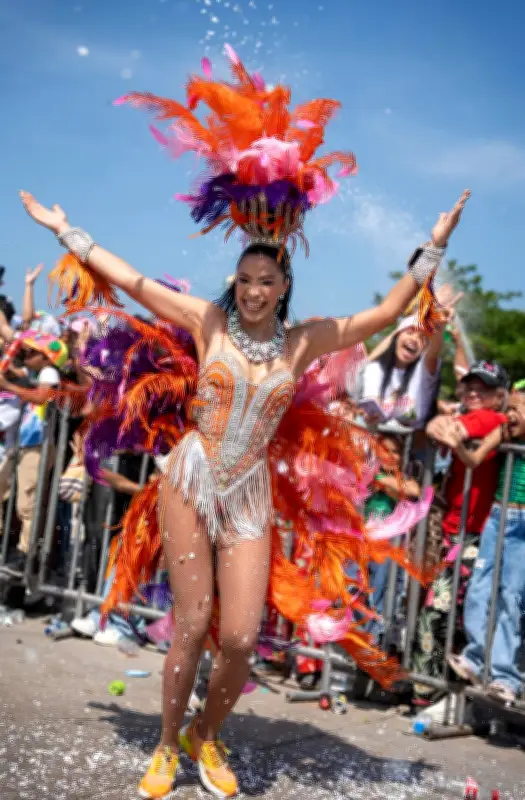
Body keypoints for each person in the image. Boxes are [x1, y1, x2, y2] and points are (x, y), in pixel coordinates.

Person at [19, 46, 469, 799]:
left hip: (251, 490)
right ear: (236, 281)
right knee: (192, 624)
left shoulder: (305, 339)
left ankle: (206, 734)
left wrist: (435, 246)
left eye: (266, 281)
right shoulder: (207, 324)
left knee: (238, 638)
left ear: (284, 284)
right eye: (245, 279)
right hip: (191, 477)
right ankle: (165, 744)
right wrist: (68, 233)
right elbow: (129, 280)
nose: (253, 290)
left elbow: (388, 314)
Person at [411, 360, 509, 704]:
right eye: (468, 386)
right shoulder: (471, 416)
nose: (471, 392)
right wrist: (442, 423)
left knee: (437, 611)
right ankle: (437, 689)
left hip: (475, 536)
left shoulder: (495, 420)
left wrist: (447, 425)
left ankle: (426, 689)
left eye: (481, 389)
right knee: (444, 611)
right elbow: (438, 428)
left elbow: (459, 428)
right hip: (451, 532)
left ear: (500, 398)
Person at [447, 386, 525, 703]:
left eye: (519, 409)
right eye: (512, 407)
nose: (511, 414)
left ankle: (506, 677)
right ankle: (475, 659)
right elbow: (473, 459)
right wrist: (458, 446)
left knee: (511, 596)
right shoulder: (503, 429)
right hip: (497, 516)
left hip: (522, 522)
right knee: (480, 587)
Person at [0, 333, 68, 572]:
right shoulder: (37, 375)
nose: (26, 355)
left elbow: (41, 398)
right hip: (28, 445)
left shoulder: (49, 374)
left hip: (38, 446)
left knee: (26, 503)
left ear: (46, 358)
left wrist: (8, 386)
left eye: (32, 352)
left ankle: (24, 554)